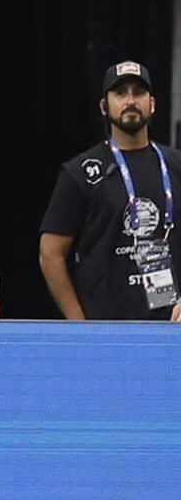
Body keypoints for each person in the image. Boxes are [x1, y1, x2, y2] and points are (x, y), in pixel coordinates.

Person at [40, 60, 181, 320]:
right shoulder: (80, 172)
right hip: (105, 328)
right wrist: (77, 321)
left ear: (152, 103)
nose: (130, 100)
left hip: (171, 326)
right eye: (120, 93)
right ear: (104, 106)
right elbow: (50, 253)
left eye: (138, 93)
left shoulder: (175, 165)